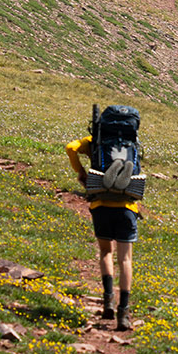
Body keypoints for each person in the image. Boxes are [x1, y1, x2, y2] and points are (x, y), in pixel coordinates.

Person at [66, 105, 143, 331]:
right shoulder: (132, 142)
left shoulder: (95, 141)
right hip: (127, 205)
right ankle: (123, 312)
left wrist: (81, 172)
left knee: (106, 252)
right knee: (125, 260)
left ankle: (108, 300)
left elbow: (70, 148)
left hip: (100, 203)